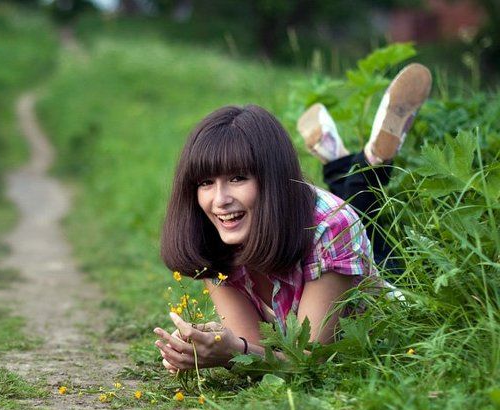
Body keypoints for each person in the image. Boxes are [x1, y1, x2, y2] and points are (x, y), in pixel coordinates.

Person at [153, 63, 431, 371]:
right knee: (352, 212)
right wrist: (214, 344)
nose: (219, 200)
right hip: (299, 218)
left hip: (390, 294)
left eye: (238, 178)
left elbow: (310, 362)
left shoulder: (329, 227)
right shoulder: (212, 235)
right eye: (206, 182)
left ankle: (370, 164)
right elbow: (252, 348)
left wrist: (232, 352)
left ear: (271, 178)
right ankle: (343, 165)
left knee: (373, 236)